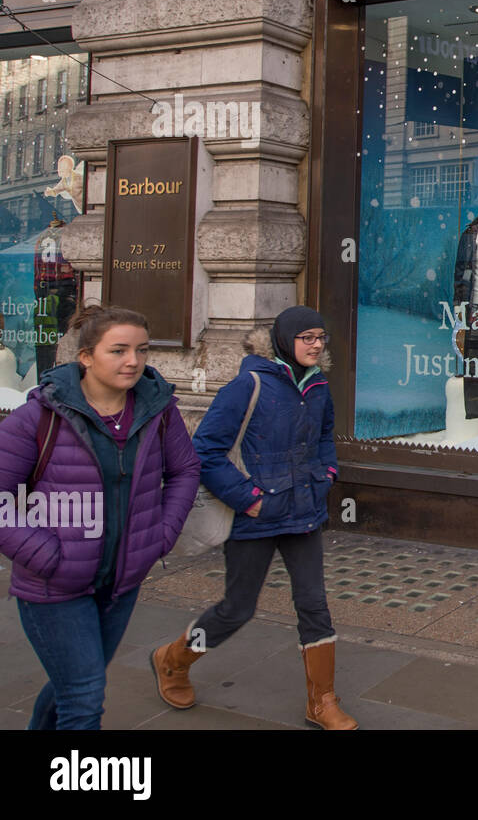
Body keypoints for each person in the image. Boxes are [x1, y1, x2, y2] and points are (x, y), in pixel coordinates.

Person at [150, 306, 357, 730]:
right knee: (236, 609)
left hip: (303, 512)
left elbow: (324, 437)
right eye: (307, 337)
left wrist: (327, 475)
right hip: (254, 517)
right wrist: (250, 500)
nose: (317, 344)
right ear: (286, 340)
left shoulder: (317, 385)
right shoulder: (249, 385)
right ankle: (174, 659)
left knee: (314, 603)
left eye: (321, 337)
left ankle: (322, 702)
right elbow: (204, 450)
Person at [0, 305, 201, 730]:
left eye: (142, 350)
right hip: (53, 585)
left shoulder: (157, 409)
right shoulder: (38, 416)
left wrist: (162, 533)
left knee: (71, 686)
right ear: (86, 357)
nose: (133, 361)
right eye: (119, 350)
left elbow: (184, 470)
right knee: (85, 698)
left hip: (121, 581)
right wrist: (44, 554)